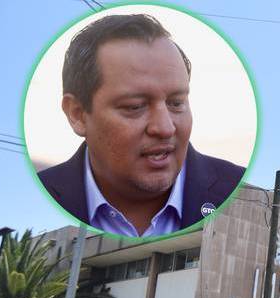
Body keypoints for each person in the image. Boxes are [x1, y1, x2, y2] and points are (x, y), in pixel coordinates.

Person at [38, 14, 245, 237]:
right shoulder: (45, 194)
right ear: (77, 114)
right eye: (135, 106)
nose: (165, 128)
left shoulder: (239, 192)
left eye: (176, 103)